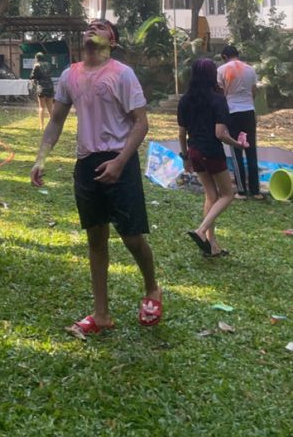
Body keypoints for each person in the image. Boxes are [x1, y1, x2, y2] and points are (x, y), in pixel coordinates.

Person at [30, 19, 162, 333]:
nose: (92, 28)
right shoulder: (69, 75)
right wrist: (40, 158)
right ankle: (100, 315)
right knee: (96, 238)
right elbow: (56, 121)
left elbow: (140, 123)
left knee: (131, 237)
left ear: (112, 42)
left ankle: (152, 288)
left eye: (101, 27)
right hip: (86, 163)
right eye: (90, 25)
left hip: (120, 160)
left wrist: (119, 162)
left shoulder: (122, 74)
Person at [178, 57, 245, 257]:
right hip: (212, 152)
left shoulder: (185, 100)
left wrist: (185, 157)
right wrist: (238, 144)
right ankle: (201, 231)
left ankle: (211, 245)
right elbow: (221, 135)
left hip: (194, 152)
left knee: (211, 195)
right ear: (212, 76)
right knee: (228, 194)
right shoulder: (217, 99)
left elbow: (182, 133)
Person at [217, 44, 262, 199]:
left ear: (224, 57)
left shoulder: (221, 70)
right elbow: (254, 91)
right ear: (237, 54)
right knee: (251, 150)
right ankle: (256, 191)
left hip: (232, 112)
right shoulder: (250, 69)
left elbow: (221, 93)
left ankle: (241, 190)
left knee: (236, 151)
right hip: (249, 111)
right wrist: (248, 102)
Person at [30, 51, 55, 130]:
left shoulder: (36, 65)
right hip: (50, 86)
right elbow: (51, 72)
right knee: (50, 107)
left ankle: (42, 126)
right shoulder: (48, 64)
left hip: (41, 87)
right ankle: (53, 126)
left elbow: (32, 76)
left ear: (36, 58)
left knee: (41, 107)